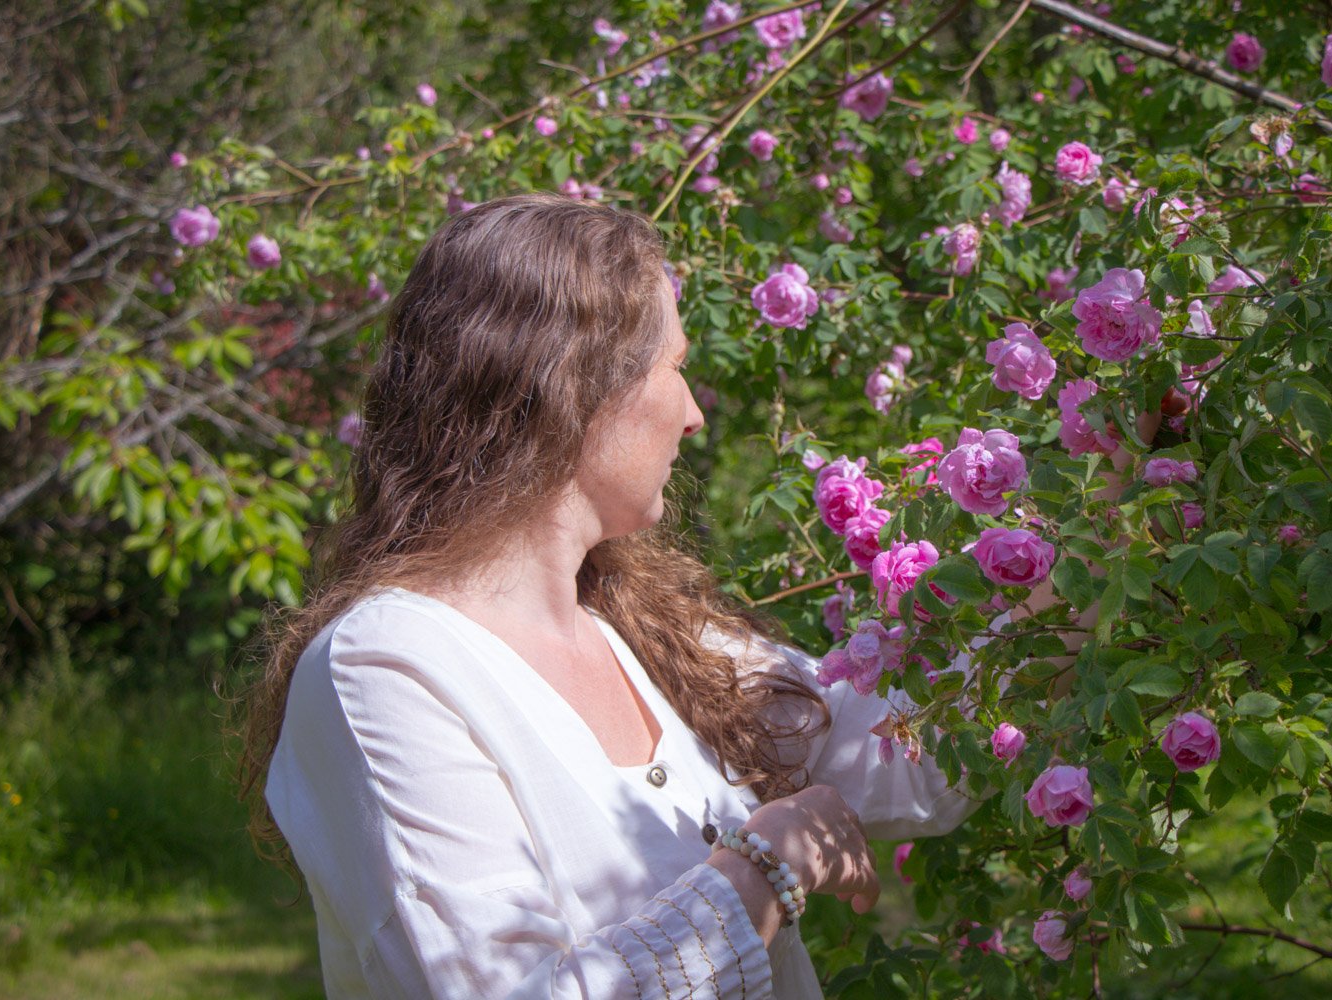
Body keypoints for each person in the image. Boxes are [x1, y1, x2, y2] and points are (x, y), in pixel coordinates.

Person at [236, 192, 1002, 999]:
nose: (696, 416)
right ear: (577, 387)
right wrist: (767, 866)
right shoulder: (385, 674)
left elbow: (902, 755)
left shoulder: (640, 628)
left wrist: (1084, 551)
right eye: (676, 368)